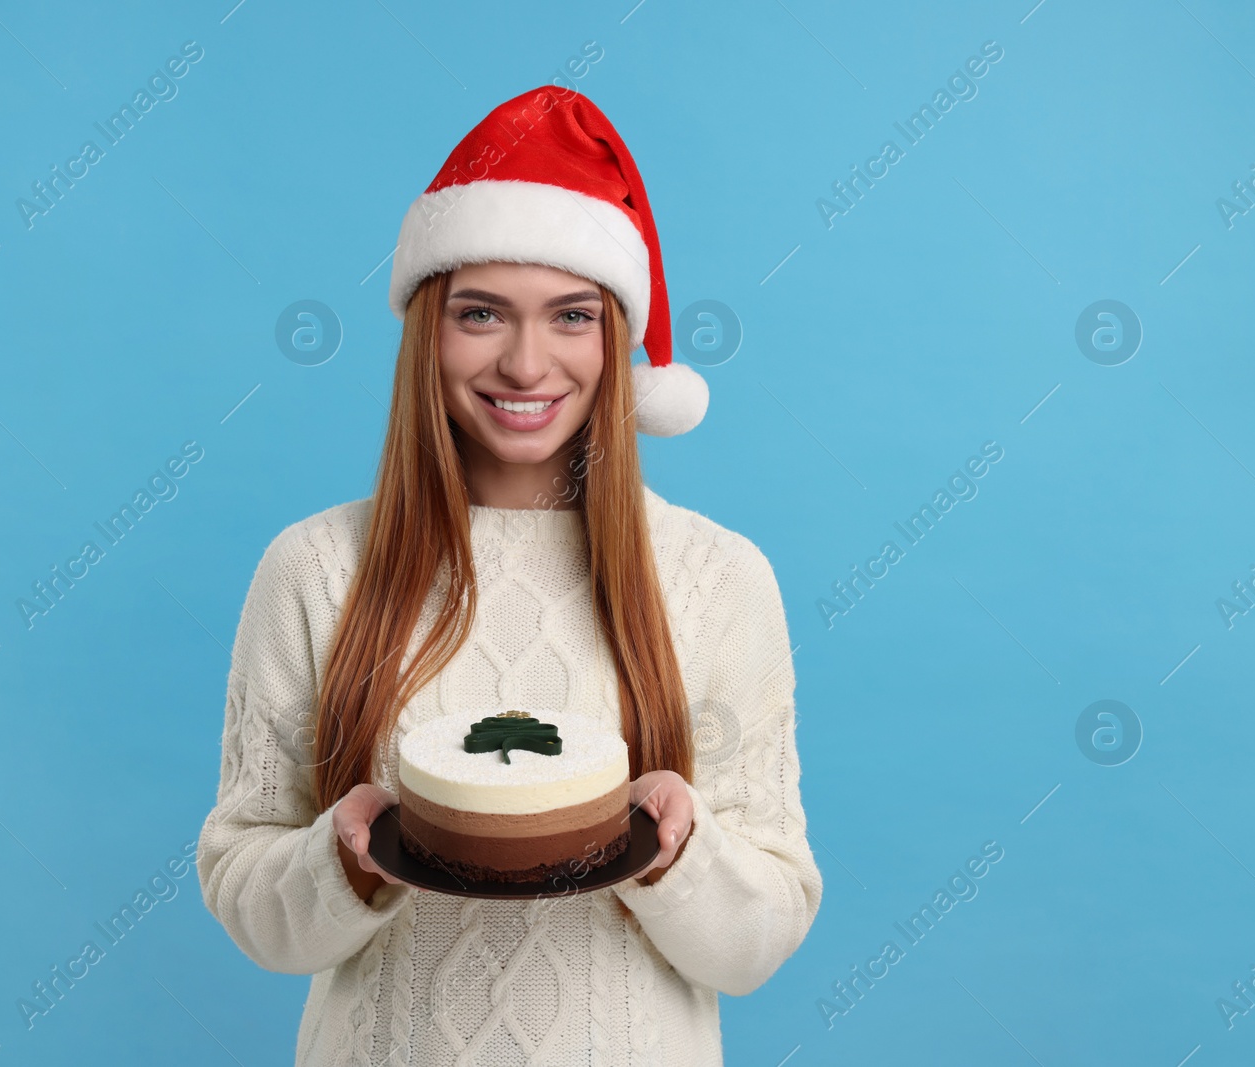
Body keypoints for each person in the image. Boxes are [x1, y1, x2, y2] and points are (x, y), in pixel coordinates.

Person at [196, 85, 822, 1066]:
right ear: (426, 333)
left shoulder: (715, 578)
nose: (527, 363)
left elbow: (760, 940)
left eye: (571, 316)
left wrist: (678, 852)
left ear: (615, 341)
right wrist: (343, 857)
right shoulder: (317, 569)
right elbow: (250, 898)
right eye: (481, 313)